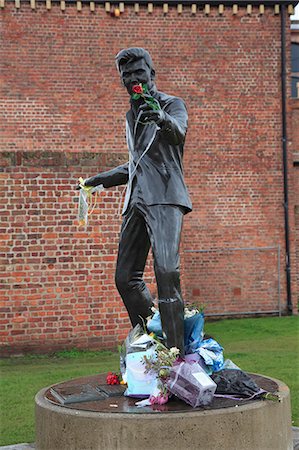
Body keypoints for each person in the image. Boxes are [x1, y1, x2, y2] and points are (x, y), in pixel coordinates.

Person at [80, 48, 192, 354]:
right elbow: (137, 164)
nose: (132, 79)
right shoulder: (131, 115)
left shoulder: (172, 104)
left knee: (166, 272)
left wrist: (161, 117)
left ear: (151, 74)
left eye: (138, 73)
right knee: (125, 278)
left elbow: (178, 133)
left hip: (166, 197)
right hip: (136, 200)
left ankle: (176, 356)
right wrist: (101, 179)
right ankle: (154, 339)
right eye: (126, 75)